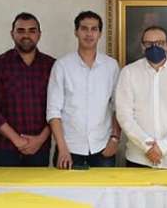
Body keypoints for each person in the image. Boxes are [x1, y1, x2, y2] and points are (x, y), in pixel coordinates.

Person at [46, 11, 121, 169]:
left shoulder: (111, 66)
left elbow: (117, 106)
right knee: (66, 194)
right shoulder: (62, 65)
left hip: (103, 148)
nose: (89, 33)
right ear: (76, 32)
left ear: (100, 33)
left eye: (94, 29)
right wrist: (62, 148)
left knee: (104, 193)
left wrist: (115, 138)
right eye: (84, 28)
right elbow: (53, 111)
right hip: (69, 149)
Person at [115, 25, 167, 168]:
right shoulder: (129, 73)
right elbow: (124, 115)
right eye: (149, 44)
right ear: (142, 47)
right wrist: (146, 146)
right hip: (138, 158)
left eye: (159, 43)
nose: (154, 47)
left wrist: (162, 147)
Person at [0, 12, 55, 167]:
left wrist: (40, 139)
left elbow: (57, 108)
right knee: (5, 191)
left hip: (40, 149)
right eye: (20, 30)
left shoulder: (52, 66)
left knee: (36, 192)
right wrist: (17, 140)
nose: (26, 35)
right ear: (12, 34)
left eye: (32, 31)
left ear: (39, 34)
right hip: (5, 149)